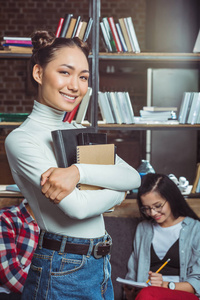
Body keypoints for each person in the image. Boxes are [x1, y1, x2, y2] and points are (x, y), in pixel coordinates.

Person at [5, 30, 141, 300]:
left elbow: (133, 177)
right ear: (39, 73)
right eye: (65, 72)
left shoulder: (78, 129)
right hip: (61, 268)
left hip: (100, 263)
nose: (75, 86)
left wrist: (79, 171)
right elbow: (77, 208)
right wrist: (117, 192)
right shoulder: (21, 139)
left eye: (83, 77)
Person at [124, 173, 200, 300]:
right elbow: (133, 271)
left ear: (171, 198)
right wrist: (130, 291)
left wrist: (165, 285)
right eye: (147, 208)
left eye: (157, 206)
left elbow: (198, 281)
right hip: (146, 295)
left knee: (148, 294)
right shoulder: (143, 228)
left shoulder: (195, 228)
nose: (152, 213)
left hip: (181, 294)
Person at [0, 199, 39, 300]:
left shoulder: (57, 225)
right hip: (10, 292)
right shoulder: (6, 218)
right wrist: (43, 292)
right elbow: (8, 272)